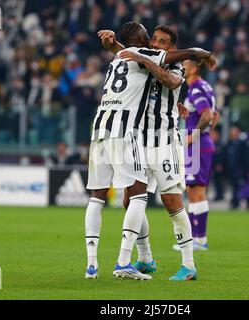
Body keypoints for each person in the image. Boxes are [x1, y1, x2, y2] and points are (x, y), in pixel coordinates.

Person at [83, 21, 216, 281]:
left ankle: (188, 265)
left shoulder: (174, 66)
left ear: (171, 48)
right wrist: (113, 46)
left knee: (172, 202)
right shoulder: (143, 58)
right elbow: (128, 53)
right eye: (153, 39)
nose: (155, 44)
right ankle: (144, 258)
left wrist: (145, 58)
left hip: (164, 143)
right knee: (130, 198)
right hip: (138, 139)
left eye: (162, 42)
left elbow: (169, 80)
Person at [174, 59, 217, 251]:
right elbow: (215, 115)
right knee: (196, 192)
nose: (181, 68)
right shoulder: (206, 86)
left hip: (197, 145)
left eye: (184, 65)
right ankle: (198, 239)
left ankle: (198, 240)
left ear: (194, 68)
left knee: (195, 192)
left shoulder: (196, 89)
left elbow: (207, 114)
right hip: (203, 144)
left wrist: (194, 136)